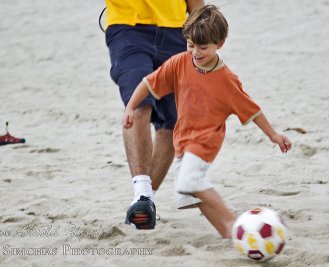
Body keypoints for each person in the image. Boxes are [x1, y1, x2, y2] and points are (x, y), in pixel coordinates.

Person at [122, 5, 292, 238]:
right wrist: (131, 107)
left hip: (205, 141)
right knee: (187, 190)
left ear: (219, 44)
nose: (196, 53)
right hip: (182, 140)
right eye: (191, 45)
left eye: (203, 47)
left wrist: (273, 135)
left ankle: (233, 223)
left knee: (191, 181)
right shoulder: (180, 62)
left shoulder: (226, 80)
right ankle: (227, 232)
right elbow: (149, 82)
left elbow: (251, 109)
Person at [104, 0, 205, 230]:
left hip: (178, 31)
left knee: (174, 120)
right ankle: (141, 193)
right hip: (128, 27)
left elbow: (196, 4)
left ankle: (147, 201)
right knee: (138, 103)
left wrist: (201, 35)